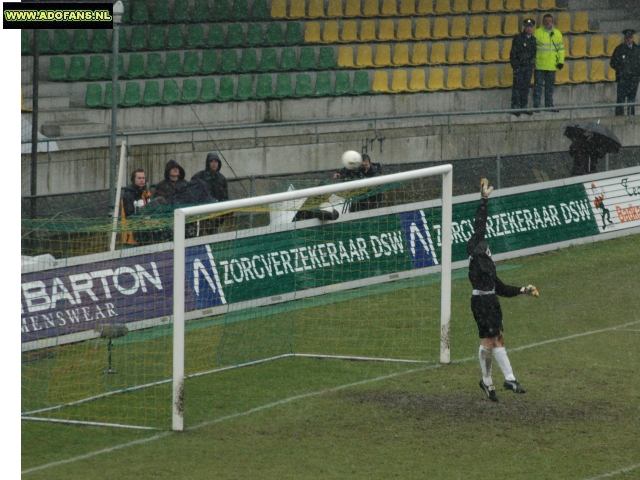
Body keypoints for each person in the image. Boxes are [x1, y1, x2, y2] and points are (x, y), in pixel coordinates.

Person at [467, 178, 539, 403]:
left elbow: (501, 288)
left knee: (498, 337)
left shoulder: (488, 264)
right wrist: (483, 201)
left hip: (491, 302)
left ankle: (506, 379)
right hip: (481, 302)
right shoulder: (478, 259)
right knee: (489, 340)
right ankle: (489, 380)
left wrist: (521, 290)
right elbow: (480, 224)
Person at [533, 14, 564, 112]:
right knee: (538, 87)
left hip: (552, 66)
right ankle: (536, 105)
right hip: (540, 65)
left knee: (549, 88)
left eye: (550, 21)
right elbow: (532, 48)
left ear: (552, 22)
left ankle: (549, 105)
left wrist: (560, 61)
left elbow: (561, 49)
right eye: (546, 21)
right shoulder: (537, 33)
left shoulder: (558, 33)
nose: (548, 23)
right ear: (543, 22)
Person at [509, 18, 537, 116]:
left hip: (528, 67)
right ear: (524, 27)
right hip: (519, 66)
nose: (529, 29)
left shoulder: (533, 40)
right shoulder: (518, 38)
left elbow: (533, 54)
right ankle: (515, 106)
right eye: (527, 27)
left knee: (525, 86)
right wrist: (515, 65)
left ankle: (523, 106)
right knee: (517, 86)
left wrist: (531, 64)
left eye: (530, 27)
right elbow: (513, 53)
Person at [610, 29, 640, 116]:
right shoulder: (619, 49)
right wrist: (621, 70)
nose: (629, 40)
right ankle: (619, 118)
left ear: (633, 38)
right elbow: (613, 63)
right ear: (624, 38)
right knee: (620, 100)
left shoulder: (637, 49)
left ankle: (631, 117)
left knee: (631, 100)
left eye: (630, 38)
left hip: (634, 78)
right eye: (627, 38)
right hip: (623, 79)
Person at [120, 168, 151, 246]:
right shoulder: (128, 195)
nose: (142, 180)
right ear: (134, 179)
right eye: (139, 178)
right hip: (131, 237)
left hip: (146, 234)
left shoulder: (147, 194)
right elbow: (130, 214)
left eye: (143, 178)